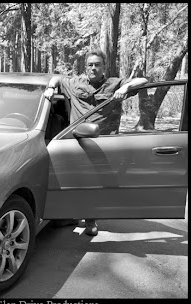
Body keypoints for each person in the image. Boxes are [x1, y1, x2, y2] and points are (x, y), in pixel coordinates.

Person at [44, 49, 147, 236]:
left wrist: (125, 88)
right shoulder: (75, 83)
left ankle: (91, 219)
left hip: (103, 142)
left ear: (104, 66)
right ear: (86, 67)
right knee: (74, 181)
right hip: (76, 142)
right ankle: (72, 215)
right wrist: (51, 87)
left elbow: (144, 81)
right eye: (90, 64)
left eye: (97, 64)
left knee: (96, 183)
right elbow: (58, 79)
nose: (93, 68)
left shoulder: (114, 84)